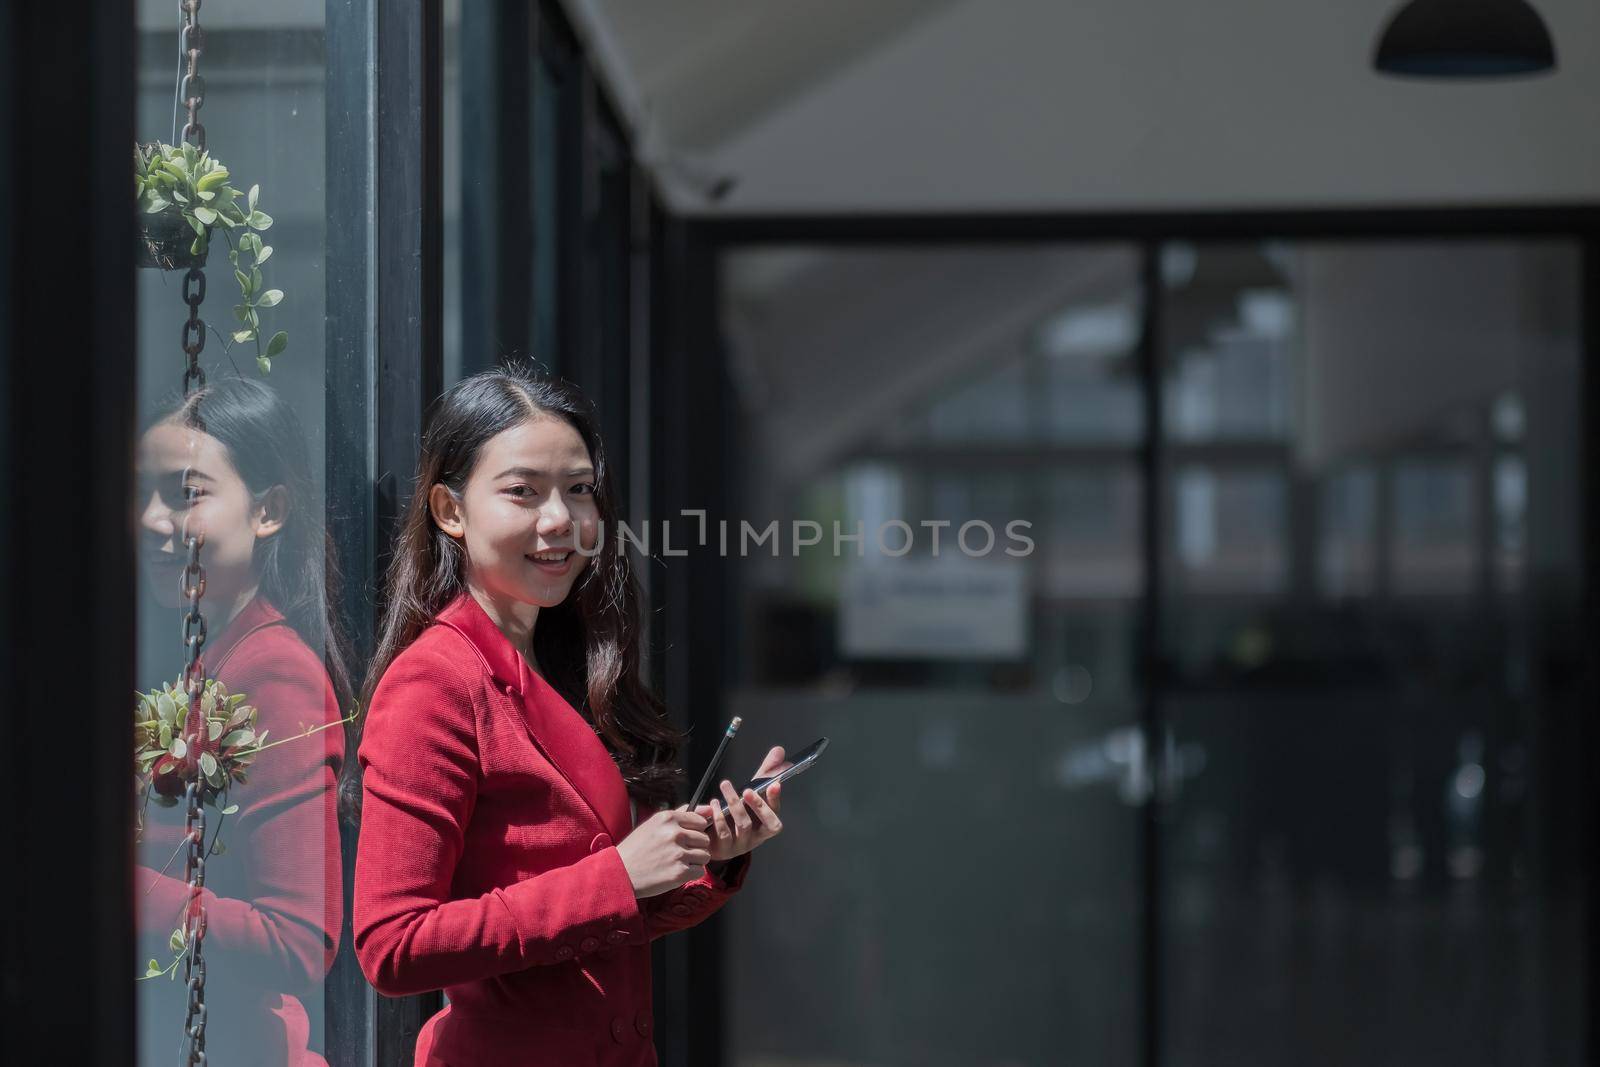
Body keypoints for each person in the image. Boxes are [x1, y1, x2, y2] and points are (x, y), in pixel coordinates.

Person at [352, 365, 788, 1066]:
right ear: (449, 509)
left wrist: (707, 859)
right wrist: (618, 875)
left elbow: (598, 924)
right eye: (523, 491)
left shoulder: (565, 663)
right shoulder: (436, 681)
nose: (561, 520)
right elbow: (391, 943)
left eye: (579, 490)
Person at [135, 377, 349, 1066]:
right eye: (141, 492)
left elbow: (298, 939)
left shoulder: (273, 671)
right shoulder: (204, 653)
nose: (148, 518)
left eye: (184, 493)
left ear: (268, 511)